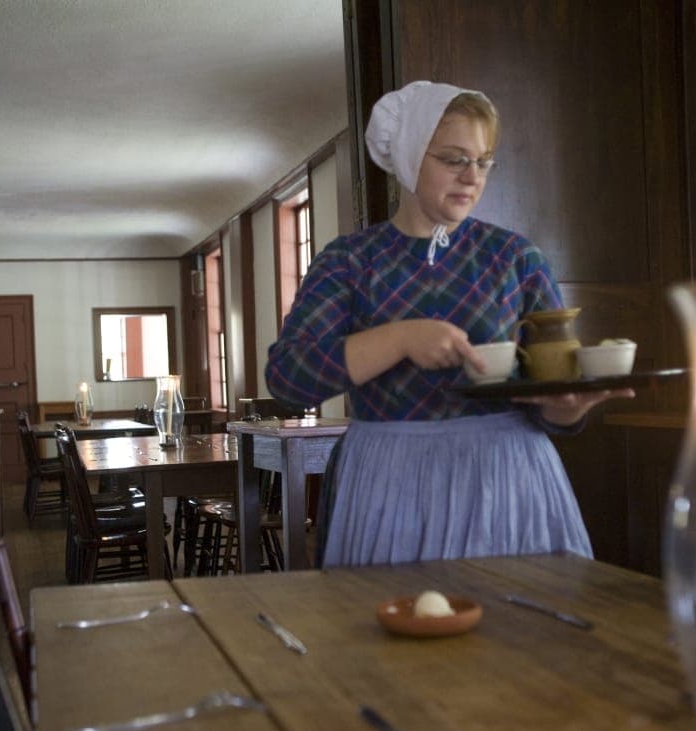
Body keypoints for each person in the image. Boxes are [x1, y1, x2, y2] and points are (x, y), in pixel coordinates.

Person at [265, 80, 631, 567]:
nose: (471, 176)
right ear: (412, 154)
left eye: (483, 161)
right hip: (388, 484)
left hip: (507, 482)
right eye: (454, 159)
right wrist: (398, 339)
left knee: (520, 634)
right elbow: (288, 379)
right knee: (392, 633)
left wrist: (566, 410)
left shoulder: (517, 259)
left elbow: (552, 396)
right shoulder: (350, 261)